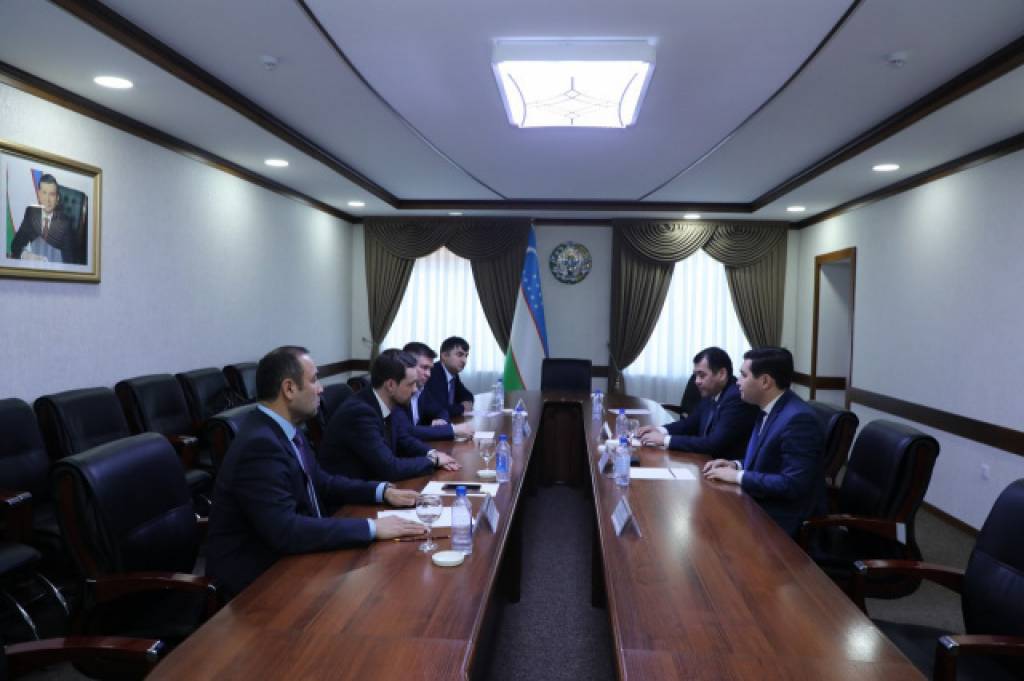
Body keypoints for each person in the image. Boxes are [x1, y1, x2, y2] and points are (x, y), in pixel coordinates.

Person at [206, 346, 425, 600]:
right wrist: (371, 527)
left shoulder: (286, 429)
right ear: (289, 389)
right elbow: (286, 530)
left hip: (295, 557)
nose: (321, 389)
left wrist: (382, 492)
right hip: (258, 583)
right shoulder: (260, 444)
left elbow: (322, 482)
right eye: (314, 380)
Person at [702, 346, 825, 536]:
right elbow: (768, 461)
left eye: (744, 375)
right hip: (759, 507)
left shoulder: (799, 419)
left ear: (765, 381)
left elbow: (792, 484)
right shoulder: (767, 408)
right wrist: (735, 465)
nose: (737, 382)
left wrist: (738, 476)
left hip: (783, 522)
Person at [319, 349, 461, 481]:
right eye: (411, 384)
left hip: (376, 482)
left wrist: (432, 453)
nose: (415, 390)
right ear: (391, 385)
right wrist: (433, 461)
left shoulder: (389, 403)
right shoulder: (360, 413)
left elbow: (404, 439)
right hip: (353, 493)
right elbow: (390, 468)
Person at [638, 347, 758, 459]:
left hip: (723, 465)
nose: (696, 381)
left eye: (702, 375)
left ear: (721, 374)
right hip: (705, 460)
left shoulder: (736, 398)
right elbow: (689, 424)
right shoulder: (711, 392)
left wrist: (665, 440)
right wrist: (659, 430)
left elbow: (713, 444)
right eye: (696, 376)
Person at [400, 342, 474, 441]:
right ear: (407, 366)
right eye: (424, 367)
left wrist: (441, 420)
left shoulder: (421, 389)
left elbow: (440, 410)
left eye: (430, 369)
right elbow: (407, 431)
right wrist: (452, 430)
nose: (429, 374)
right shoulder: (398, 392)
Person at [9, 174, 77, 263]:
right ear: (39, 195)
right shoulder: (31, 213)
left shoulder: (65, 223)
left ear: (57, 198)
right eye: (44, 193)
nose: (47, 200)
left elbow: (69, 260)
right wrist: (27, 256)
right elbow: (15, 245)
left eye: (52, 194)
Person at [423, 336, 474, 418]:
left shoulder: (453, 373)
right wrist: (462, 407)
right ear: (444, 356)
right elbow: (438, 410)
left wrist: (467, 402)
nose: (464, 360)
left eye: (466, 356)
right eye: (459, 355)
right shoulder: (433, 373)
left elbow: (467, 395)